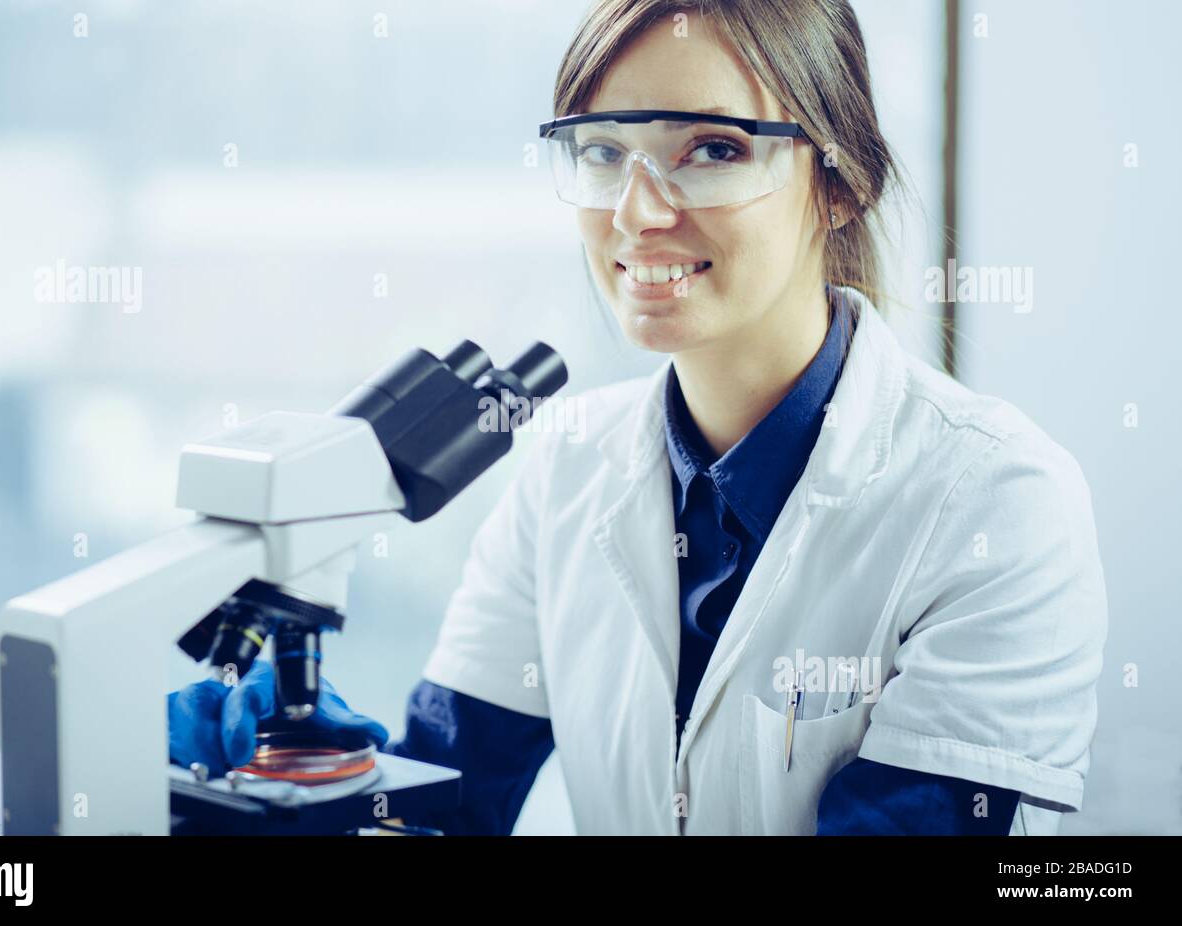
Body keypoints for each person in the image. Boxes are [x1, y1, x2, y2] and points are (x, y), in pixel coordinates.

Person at [169, 0, 1108, 835]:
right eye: (604, 152)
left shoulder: (998, 501)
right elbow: (452, 800)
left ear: (840, 180)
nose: (638, 211)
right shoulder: (563, 471)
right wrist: (317, 785)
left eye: (713, 149)